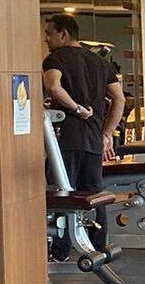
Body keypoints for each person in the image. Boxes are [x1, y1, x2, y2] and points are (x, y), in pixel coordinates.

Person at [42, 13, 125, 249]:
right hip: (93, 140)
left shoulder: (55, 58)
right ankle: (98, 248)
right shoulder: (100, 62)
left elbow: (54, 87)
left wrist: (77, 109)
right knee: (94, 194)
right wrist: (107, 132)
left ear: (63, 34)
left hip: (66, 139)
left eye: (49, 34)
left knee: (61, 193)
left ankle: (60, 251)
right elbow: (119, 98)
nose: (46, 39)